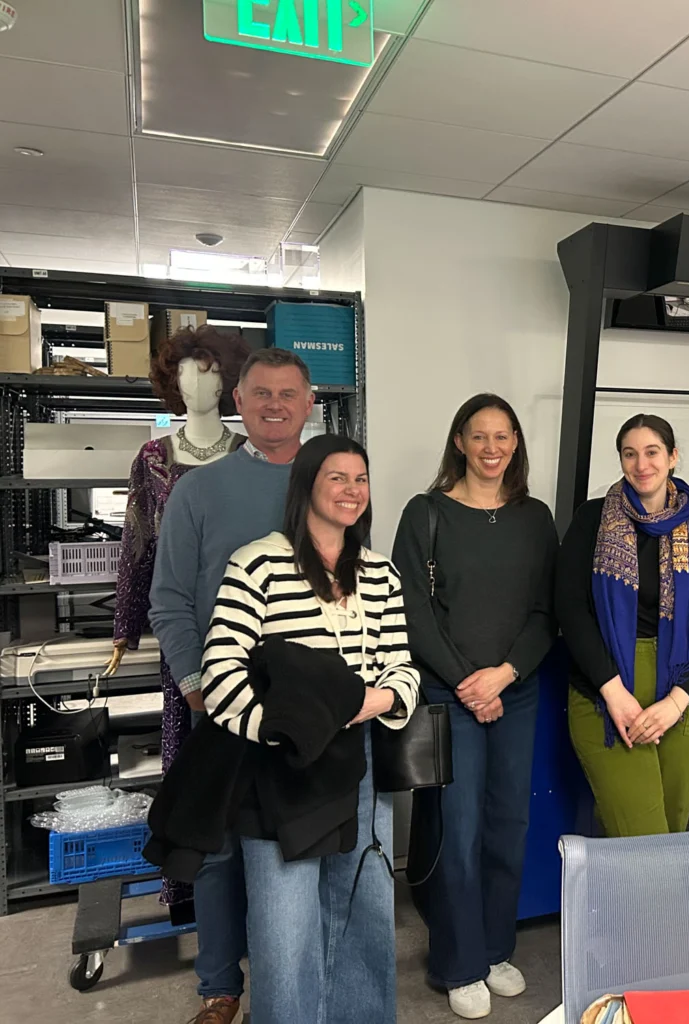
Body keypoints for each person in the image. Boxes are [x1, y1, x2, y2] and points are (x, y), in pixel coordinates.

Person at [199, 434, 420, 1024]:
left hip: (360, 763)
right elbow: (221, 674)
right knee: (284, 927)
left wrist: (365, 704)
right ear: (306, 486)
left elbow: (402, 669)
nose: (352, 491)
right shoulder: (258, 563)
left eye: (361, 479)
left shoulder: (380, 573)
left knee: (362, 911)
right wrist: (286, 731)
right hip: (280, 770)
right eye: (337, 478)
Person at [149, 347, 317, 1024]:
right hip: (221, 701)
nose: (274, 404)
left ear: (310, 403)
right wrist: (195, 684)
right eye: (261, 393)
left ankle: (293, 980)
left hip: (312, 706)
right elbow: (168, 599)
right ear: (238, 402)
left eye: (288, 393)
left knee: (300, 843)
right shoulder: (199, 489)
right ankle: (220, 987)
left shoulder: (335, 484)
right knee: (217, 849)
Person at [393, 395, 558, 1021]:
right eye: (479, 436)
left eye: (504, 436)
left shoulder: (535, 518)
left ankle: (494, 950)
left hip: (516, 692)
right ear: (459, 442)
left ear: (515, 442)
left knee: (507, 826)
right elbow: (414, 611)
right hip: (450, 694)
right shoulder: (426, 513)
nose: (492, 448)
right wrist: (469, 683)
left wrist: (506, 673)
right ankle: (457, 963)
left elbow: (547, 612)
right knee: (455, 833)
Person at [111, 325, 249, 915]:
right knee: (190, 760)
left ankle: (251, 886)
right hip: (184, 631)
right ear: (173, 381)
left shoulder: (249, 456)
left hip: (250, 626)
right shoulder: (152, 459)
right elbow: (137, 544)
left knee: (249, 757)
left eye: (213, 370)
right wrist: (125, 626)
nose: (202, 382)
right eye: (191, 371)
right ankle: (189, 889)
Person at [556, 414, 689, 837]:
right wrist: (613, 692)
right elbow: (570, 609)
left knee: (673, 830)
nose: (641, 464)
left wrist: (677, 702)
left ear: (672, 457)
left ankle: (654, 908)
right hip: (610, 692)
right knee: (642, 834)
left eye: (652, 452)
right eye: (629, 454)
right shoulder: (592, 522)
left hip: (685, 696)